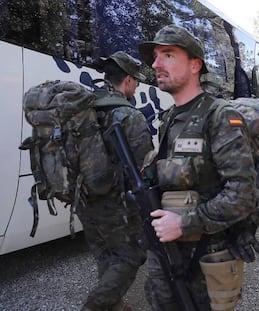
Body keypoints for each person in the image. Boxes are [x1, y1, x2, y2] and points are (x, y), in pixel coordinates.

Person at [138, 24, 259, 311]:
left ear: (195, 65)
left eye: (167, 55)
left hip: (204, 260)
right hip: (166, 254)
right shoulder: (169, 117)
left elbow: (243, 196)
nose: (155, 64)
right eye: (155, 56)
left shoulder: (219, 115)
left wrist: (183, 223)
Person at [78, 51, 154, 311]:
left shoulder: (85, 108)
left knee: (104, 252)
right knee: (130, 256)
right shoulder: (129, 115)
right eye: (137, 82)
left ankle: (113, 304)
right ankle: (96, 306)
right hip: (116, 202)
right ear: (129, 81)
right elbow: (144, 166)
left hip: (85, 197)